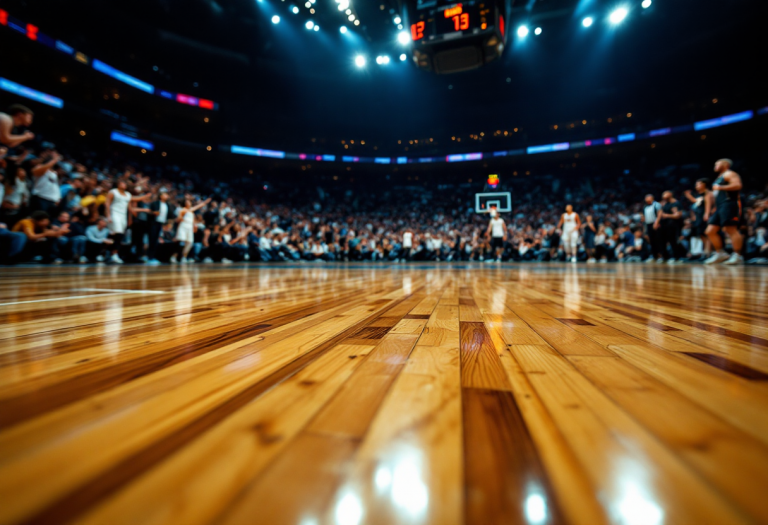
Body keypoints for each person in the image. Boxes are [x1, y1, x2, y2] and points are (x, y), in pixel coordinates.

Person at [705, 158, 744, 265]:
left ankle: (738, 255)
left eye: (717, 163)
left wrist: (720, 187)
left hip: (729, 203)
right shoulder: (719, 177)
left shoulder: (730, 174)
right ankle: (721, 253)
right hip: (720, 206)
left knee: (730, 228)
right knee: (710, 231)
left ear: (725, 164)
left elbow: (737, 185)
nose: (715, 165)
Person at [104, 179, 151, 264]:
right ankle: (113, 254)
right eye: (122, 182)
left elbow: (132, 203)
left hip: (123, 216)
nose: (124, 184)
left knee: (117, 235)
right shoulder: (113, 192)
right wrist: (108, 215)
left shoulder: (127, 194)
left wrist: (145, 196)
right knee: (118, 234)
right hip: (114, 214)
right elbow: (107, 203)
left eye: (125, 183)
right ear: (118, 183)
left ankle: (109, 253)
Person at [172, 197, 211, 263]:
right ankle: (174, 257)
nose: (188, 203)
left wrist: (205, 202)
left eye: (189, 202)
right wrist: (181, 218)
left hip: (189, 227)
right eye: (187, 202)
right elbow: (178, 219)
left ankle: (183, 257)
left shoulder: (191, 210)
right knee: (181, 242)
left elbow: (199, 206)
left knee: (189, 242)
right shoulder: (182, 210)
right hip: (183, 226)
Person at [684, 179, 714, 260]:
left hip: (705, 217)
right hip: (699, 218)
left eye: (698, 184)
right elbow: (694, 201)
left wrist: (707, 214)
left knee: (707, 235)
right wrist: (688, 195)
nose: (696, 186)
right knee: (702, 235)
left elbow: (711, 205)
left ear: (705, 184)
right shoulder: (700, 195)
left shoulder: (709, 193)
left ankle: (708, 253)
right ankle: (705, 252)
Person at [146, 188, 174, 265]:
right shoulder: (155, 203)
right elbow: (150, 212)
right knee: (152, 240)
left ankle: (153, 257)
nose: (166, 196)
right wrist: (153, 213)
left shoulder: (168, 205)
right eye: (165, 194)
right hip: (154, 223)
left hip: (161, 224)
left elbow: (170, 216)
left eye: (167, 195)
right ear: (160, 196)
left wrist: (168, 223)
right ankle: (150, 257)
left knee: (156, 241)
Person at [654, 191, 683, 264]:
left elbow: (677, 215)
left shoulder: (675, 203)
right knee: (663, 241)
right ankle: (665, 257)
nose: (663, 195)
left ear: (670, 194)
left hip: (672, 225)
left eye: (665, 194)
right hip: (665, 226)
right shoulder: (666, 204)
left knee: (673, 241)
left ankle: (677, 258)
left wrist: (667, 215)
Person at [643, 194, 663, 262]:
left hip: (655, 223)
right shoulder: (645, 207)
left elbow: (659, 213)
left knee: (658, 240)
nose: (646, 199)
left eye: (647, 197)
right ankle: (654, 256)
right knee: (652, 241)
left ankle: (661, 256)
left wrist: (656, 222)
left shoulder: (656, 204)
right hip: (648, 224)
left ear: (652, 198)